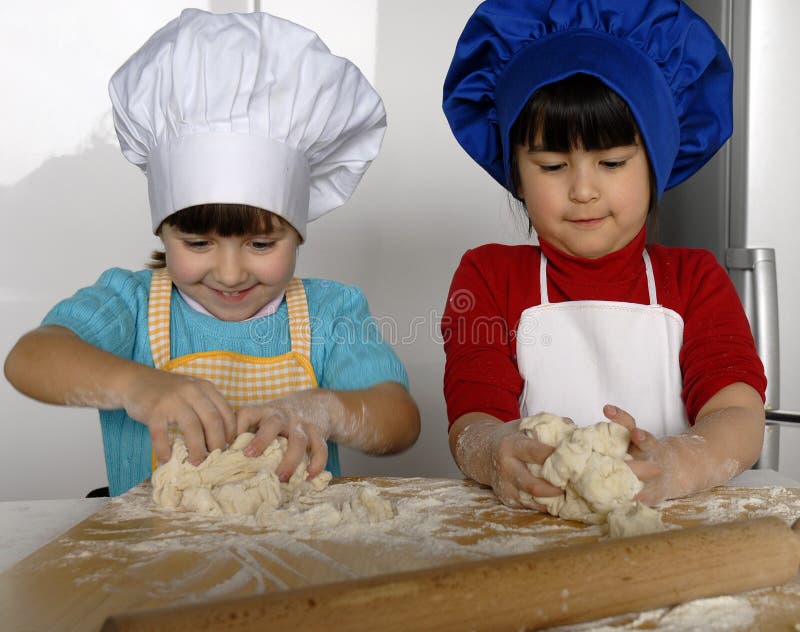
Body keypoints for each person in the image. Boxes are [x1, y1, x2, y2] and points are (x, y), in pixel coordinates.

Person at [4, 9, 419, 497]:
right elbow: (28, 358)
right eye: (197, 243)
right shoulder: (133, 305)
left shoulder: (329, 313)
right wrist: (136, 386)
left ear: (300, 233)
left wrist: (325, 409)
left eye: (261, 244)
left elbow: (399, 421)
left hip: (300, 563)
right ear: (162, 231)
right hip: (151, 563)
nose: (229, 272)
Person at [440, 0, 766, 510]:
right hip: (530, 540)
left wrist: (677, 465)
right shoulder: (486, 277)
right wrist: (493, 452)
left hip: (671, 534)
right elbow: (474, 421)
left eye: (612, 161)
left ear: (657, 161)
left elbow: (740, 415)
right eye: (552, 165)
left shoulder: (695, 279)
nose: (584, 189)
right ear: (516, 173)